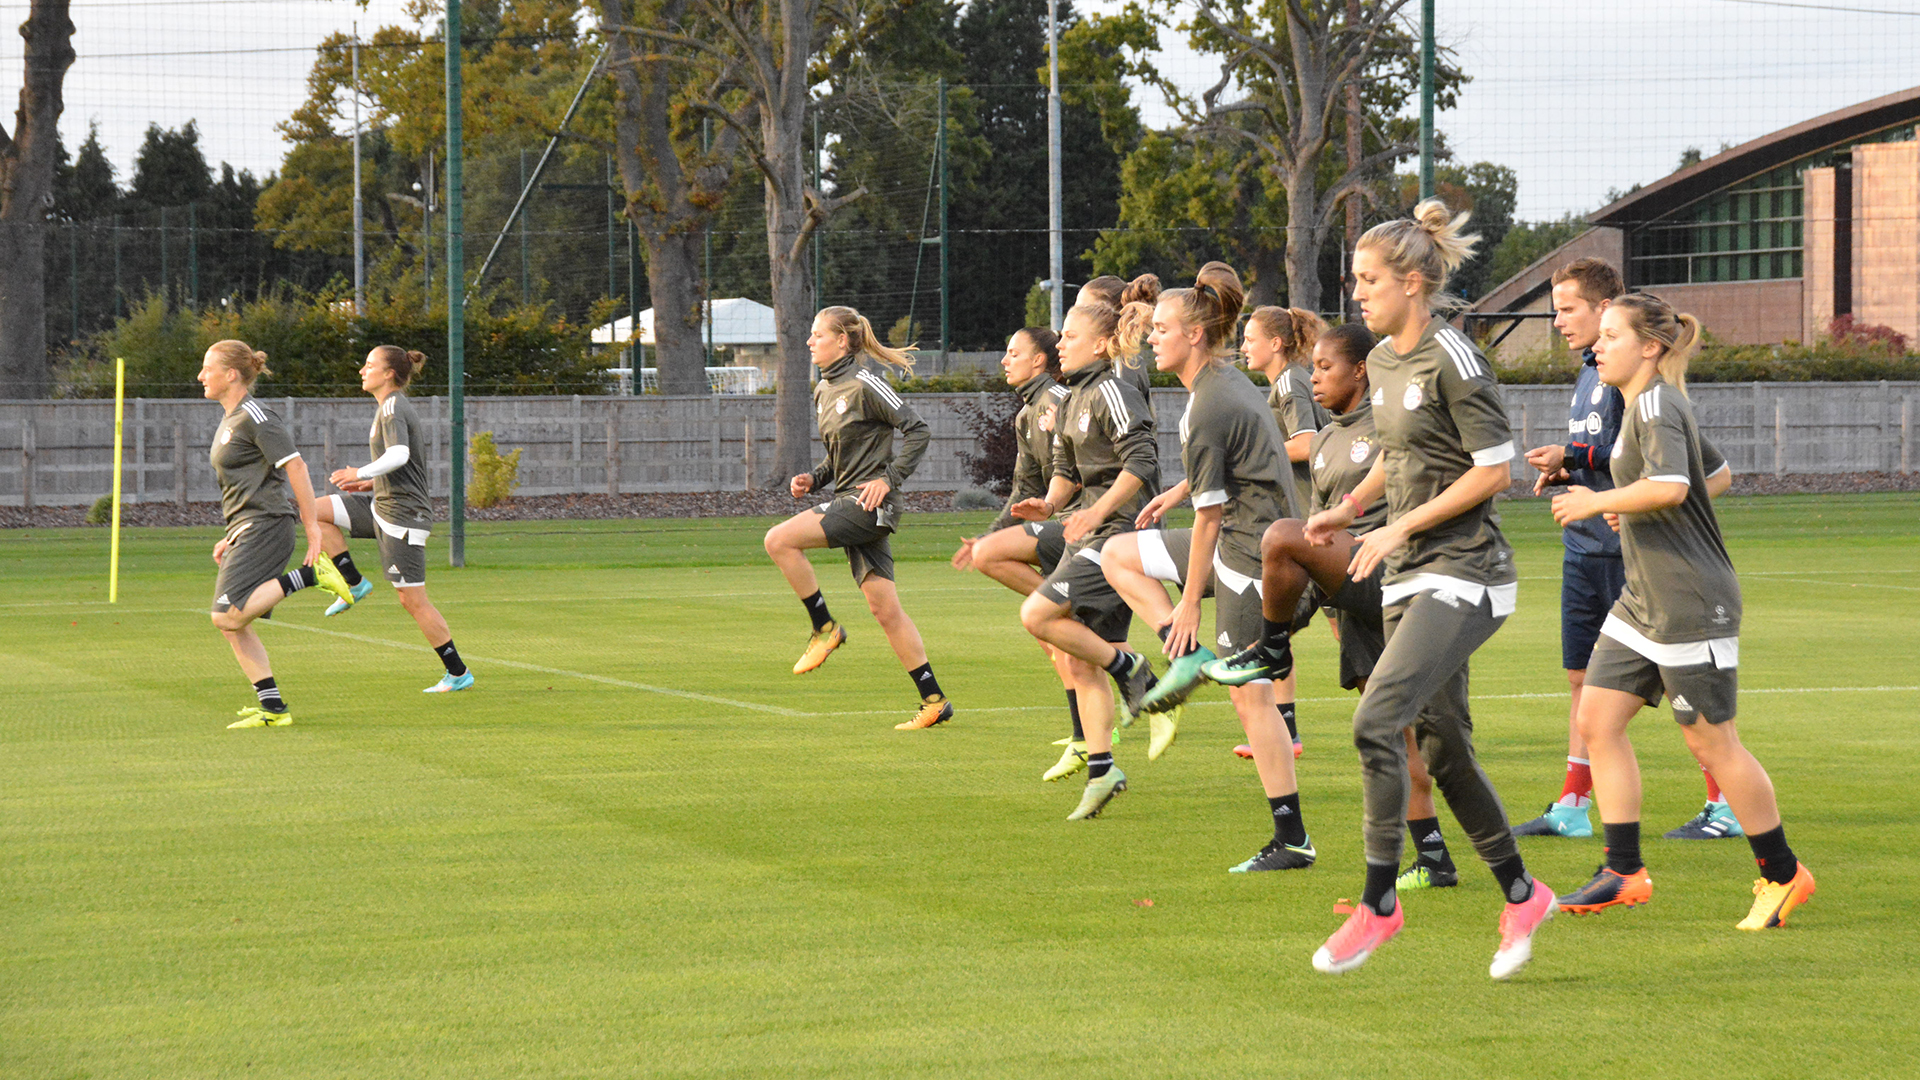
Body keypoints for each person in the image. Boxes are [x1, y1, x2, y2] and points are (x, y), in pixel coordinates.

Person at [1288, 200, 1554, 978]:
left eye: (1369, 280)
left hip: (1469, 571)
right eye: (1355, 278)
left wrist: (1401, 527)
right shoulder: (1385, 361)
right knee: (1442, 750)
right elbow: (1399, 454)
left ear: (1413, 282)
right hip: (1408, 572)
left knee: (1377, 720)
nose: (1357, 292)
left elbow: (1493, 470)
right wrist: (1354, 505)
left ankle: (1377, 906)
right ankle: (1520, 892)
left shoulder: (1455, 359)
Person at [1549, 294, 1814, 930]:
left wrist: (1599, 501)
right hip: (1644, 602)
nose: (1597, 346)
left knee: (1712, 743)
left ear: (1650, 347)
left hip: (1691, 601)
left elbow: (1673, 486)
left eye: (1610, 335)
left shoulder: (1658, 404)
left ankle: (1783, 874)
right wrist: (1628, 504)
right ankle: (1623, 870)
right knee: (1597, 718)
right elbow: (1711, 475)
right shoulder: (1645, 403)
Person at [1209, 322, 1467, 891]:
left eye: (1326, 367)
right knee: (1399, 735)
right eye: (1314, 367)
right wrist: (1296, 613)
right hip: (1355, 600)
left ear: (1361, 371)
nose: (1315, 377)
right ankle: (1434, 858)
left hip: (1401, 581)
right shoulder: (1324, 442)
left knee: (1280, 535)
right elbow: (1319, 545)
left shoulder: (1394, 426)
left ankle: (1270, 650)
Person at [1098, 264, 1315, 871]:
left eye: (1162, 328)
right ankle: (1186, 652)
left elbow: (1211, 521)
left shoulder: (1207, 404)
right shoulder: (1224, 383)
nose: (1151, 337)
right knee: (1116, 554)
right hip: (1249, 544)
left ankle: (1292, 839)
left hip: (1251, 561)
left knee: (1252, 699)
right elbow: (1224, 472)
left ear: (1195, 335)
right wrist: (1178, 492)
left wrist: (1192, 601)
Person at [1515, 257, 1740, 842]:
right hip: (1586, 550)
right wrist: (1573, 470)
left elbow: (1688, 475)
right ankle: (1577, 809)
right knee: (1584, 685)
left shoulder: (1645, 391)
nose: (1559, 322)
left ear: (1607, 310)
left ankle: (1727, 808)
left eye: (1569, 310)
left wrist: (1612, 500)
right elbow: (1616, 461)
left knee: (1690, 709)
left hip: (1641, 568)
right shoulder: (1594, 374)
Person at [764, 307, 950, 730]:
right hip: (850, 499)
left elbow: (918, 430)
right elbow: (838, 457)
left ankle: (824, 626)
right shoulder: (822, 391)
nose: (810, 341)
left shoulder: (866, 383)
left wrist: (889, 478)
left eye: (817, 335)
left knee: (779, 540)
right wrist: (813, 479)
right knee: (886, 611)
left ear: (842, 342)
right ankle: (934, 700)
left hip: (869, 504)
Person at [1013, 300, 1160, 820]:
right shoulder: (1071, 397)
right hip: (1086, 530)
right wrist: (1050, 505)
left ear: (1100, 345)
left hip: (1120, 532)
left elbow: (1142, 462)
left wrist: (1096, 510)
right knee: (1076, 656)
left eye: (1070, 336)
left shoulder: (1111, 391)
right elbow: (1066, 471)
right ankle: (1103, 770)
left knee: (1037, 615)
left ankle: (1134, 667)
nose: (1060, 344)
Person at [199, 339, 356, 728]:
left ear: (231, 374)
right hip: (246, 526)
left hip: (267, 525)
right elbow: (247, 485)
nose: (201, 375)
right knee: (235, 624)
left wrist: (310, 528)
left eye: (208, 368)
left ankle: (313, 574)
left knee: (226, 617)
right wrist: (230, 531)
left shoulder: (256, 414)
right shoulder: (231, 418)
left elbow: (296, 467)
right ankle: (273, 708)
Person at [951, 328, 1083, 779]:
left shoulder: (1063, 401)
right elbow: (1022, 490)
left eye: (1014, 353)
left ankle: (1090, 733)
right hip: (1055, 523)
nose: (1005, 360)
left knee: (1048, 620)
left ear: (1041, 361)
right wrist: (988, 534)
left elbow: (1089, 468)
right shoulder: (1028, 414)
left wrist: (995, 542)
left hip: (1082, 525)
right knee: (1050, 630)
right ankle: (1084, 732)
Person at [317, 345, 474, 693]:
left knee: (412, 600)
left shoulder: (392, 406)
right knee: (314, 512)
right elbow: (404, 462)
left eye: (369, 365)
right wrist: (370, 482)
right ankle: (354, 583)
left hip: (404, 515)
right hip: (381, 504)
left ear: (388, 374)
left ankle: (457, 672)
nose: (362, 370)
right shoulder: (388, 407)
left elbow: (400, 455)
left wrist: (361, 470)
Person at [1238, 305, 1327, 756]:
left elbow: (1307, 443)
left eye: (1250, 338)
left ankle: (1410, 721)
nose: (1243, 346)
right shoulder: (1282, 383)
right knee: (1277, 628)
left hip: (1320, 528)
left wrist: (1255, 458)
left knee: (1278, 627)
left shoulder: (1291, 380)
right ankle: (1285, 731)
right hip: (1308, 524)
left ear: (1276, 343)